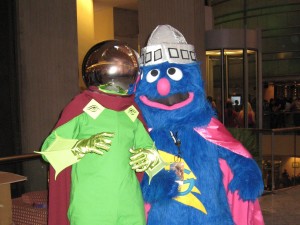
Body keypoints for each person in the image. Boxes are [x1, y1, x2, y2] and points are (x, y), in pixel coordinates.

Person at [135, 24, 264, 225]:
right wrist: (156, 184)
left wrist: (247, 171)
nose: (164, 86)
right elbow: (134, 180)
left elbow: (235, 153)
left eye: (172, 73)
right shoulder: (142, 133)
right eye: (154, 76)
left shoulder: (208, 127)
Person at [38, 40, 165, 225]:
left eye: (125, 68)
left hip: (129, 205)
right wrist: (81, 146)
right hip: (90, 207)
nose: (120, 73)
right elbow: (49, 149)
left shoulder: (131, 111)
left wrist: (149, 158)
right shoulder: (81, 106)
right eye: (115, 67)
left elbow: (151, 153)